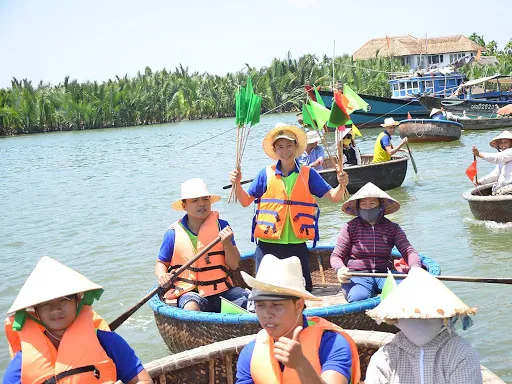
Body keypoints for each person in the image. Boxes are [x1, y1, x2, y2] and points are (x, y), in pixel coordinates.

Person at [229, 123, 349, 292]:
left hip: (296, 243)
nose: (285, 151)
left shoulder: (308, 174)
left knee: (303, 290)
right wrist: (237, 184)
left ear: (296, 147)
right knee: (263, 289)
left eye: (289, 146)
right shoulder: (265, 173)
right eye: (280, 147)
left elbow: (335, 197)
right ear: (275, 150)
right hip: (268, 243)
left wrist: (342, 184)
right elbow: (245, 201)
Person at [3, 256, 152, 384]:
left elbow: (143, 380)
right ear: (35, 311)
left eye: (64, 300)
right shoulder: (23, 362)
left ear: (78, 300)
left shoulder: (107, 342)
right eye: (45, 304)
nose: (55, 309)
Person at [235, 254, 361, 384]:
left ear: (299, 305)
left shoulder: (332, 343)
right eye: (260, 306)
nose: (267, 314)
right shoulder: (251, 352)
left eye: (277, 305)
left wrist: (301, 365)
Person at [365, 267, 482, 384]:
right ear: (396, 319)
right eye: (411, 316)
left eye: (429, 316)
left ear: (444, 318)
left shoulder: (460, 353)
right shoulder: (386, 357)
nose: (420, 322)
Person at [155, 178, 248, 312]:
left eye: (205, 199)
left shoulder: (222, 226)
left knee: (252, 301)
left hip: (221, 289)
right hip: (189, 293)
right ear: (184, 205)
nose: (201, 204)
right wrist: (162, 275)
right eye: (195, 200)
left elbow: (234, 265)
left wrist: (227, 243)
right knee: (191, 306)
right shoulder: (173, 233)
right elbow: (161, 263)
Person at [330, 182, 422, 303]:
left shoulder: (392, 228)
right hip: (358, 276)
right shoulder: (350, 227)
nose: (368, 207)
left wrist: (415, 268)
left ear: (381, 206)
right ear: (358, 208)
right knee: (358, 297)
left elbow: (408, 251)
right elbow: (336, 256)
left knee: (405, 292)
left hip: (383, 274)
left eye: (372, 203)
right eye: (363, 204)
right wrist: (340, 269)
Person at [472, 130, 512, 195]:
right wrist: (480, 181)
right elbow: (495, 174)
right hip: (505, 187)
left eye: (506, 142)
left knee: (503, 192)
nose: (503, 145)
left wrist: (479, 154)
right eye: (501, 143)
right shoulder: (502, 160)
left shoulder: (508, 153)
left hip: (510, 187)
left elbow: (497, 158)